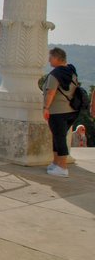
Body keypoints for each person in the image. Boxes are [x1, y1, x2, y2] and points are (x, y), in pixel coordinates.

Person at [42, 47, 79, 177]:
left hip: (57, 111)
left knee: (59, 138)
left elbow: (50, 93)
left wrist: (46, 108)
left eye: (50, 57)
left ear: (56, 58)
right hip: (71, 110)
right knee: (58, 136)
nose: (49, 60)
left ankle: (62, 167)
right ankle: (56, 163)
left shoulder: (55, 74)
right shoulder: (72, 71)